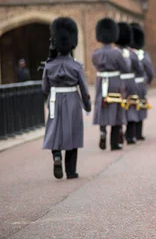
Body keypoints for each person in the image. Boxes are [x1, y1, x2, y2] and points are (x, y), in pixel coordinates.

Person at [42, 17, 91, 180]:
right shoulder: (76, 66)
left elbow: (44, 88)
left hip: (54, 99)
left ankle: (56, 156)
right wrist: (87, 105)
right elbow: (84, 89)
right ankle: (71, 171)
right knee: (72, 133)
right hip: (72, 99)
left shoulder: (49, 65)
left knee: (54, 130)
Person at [92, 18, 128, 151]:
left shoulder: (95, 53)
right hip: (114, 82)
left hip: (101, 81)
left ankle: (102, 131)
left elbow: (95, 65)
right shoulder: (116, 53)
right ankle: (114, 143)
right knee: (115, 109)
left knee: (102, 106)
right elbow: (125, 68)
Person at [116, 22, 143, 145]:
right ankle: (130, 135)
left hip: (118, 81)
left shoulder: (114, 53)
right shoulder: (132, 54)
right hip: (131, 81)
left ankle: (119, 131)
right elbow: (139, 69)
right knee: (131, 106)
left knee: (119, 107)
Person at [130, 23, 155, 140]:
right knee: (141, 106)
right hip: (140, 83)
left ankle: (130, 133)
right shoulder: (142, 54)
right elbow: (149, 70)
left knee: (130, 106)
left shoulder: (126, 54)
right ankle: (138, 133)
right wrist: (149, 80)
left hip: (128, 84)